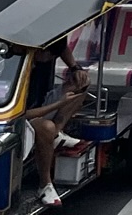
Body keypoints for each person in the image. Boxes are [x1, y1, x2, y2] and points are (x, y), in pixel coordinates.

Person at [24, 34, 91, 206]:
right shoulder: (23, 68)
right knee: (46, 127)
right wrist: (59, 104)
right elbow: (24, 114)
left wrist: (75, 68)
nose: (53, 59)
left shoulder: (49, 49)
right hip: (26, 118)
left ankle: (57, 132)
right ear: (41, 51)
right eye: (51, 56)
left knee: (81, 82)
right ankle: (45, 184)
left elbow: (61, 49)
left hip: (44, 101)